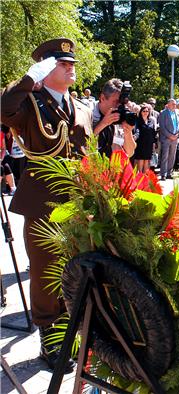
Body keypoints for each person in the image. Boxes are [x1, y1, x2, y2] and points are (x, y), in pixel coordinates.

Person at [0, 38, 93, 371]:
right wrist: (28, 80)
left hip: (78, 204)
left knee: (75, 266)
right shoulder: (29, 102)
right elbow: (3, 109)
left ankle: (73, 327)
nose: (71, 68)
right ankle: (50, 336)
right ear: (45, 68)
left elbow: (87, 154)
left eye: (72, 64)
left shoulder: (81, 107)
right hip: (42, 203)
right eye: (62, 64)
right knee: (44, 269)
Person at [92, 78, 136, 158]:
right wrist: (103, 123)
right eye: (116, 101)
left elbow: (129, 153)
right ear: (102, 98)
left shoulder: (121, 114)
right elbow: (83, 143)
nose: (119, 106)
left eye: (122, 102)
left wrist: (128, 132)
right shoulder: (87, 113)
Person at [157, 98, 179, 180]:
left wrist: (177, 135)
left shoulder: (178, 113)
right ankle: (163, 174)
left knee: (172, 156)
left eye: (175, 104)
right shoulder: (163, 113)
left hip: (175, 139)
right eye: (173, 104)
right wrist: (170, 136)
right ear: (168, 105)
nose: (174, 105)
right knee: (165, 156)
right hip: (166, 138)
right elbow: (162, 127)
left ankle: (169, 173)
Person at [133, 104, 158, 173]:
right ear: (141, 112)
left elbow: (153, 132)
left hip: (149, 143)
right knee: (141, 160)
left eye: (147, 111)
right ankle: (140, 176)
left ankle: (145, 177)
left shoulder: (151, 121)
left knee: (147, 160)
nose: (145, 112)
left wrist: (154, 142)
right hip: (140, 143)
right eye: (144, 111)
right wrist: (134, 137)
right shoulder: (138, 121)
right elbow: (137, 131)